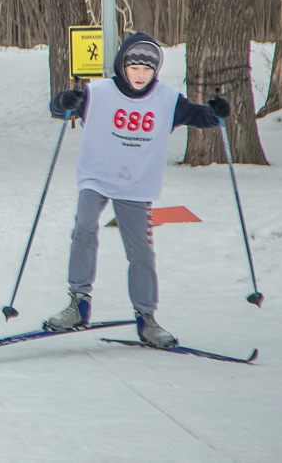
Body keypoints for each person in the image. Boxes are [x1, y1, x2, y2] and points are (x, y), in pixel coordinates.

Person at [44, 32, 231, 347]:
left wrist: (216, 113)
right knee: (84, 226)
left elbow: (201, 117)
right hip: (97, 176)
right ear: (122, 66)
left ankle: (147, 319)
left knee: (141, 251)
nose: (141, 74)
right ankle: (79, 303)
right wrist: (63, 101)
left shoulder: (167, 99)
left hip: (136, 184)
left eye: (148, 69)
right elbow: (59, 109)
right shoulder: (99, 92)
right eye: (135, 68)